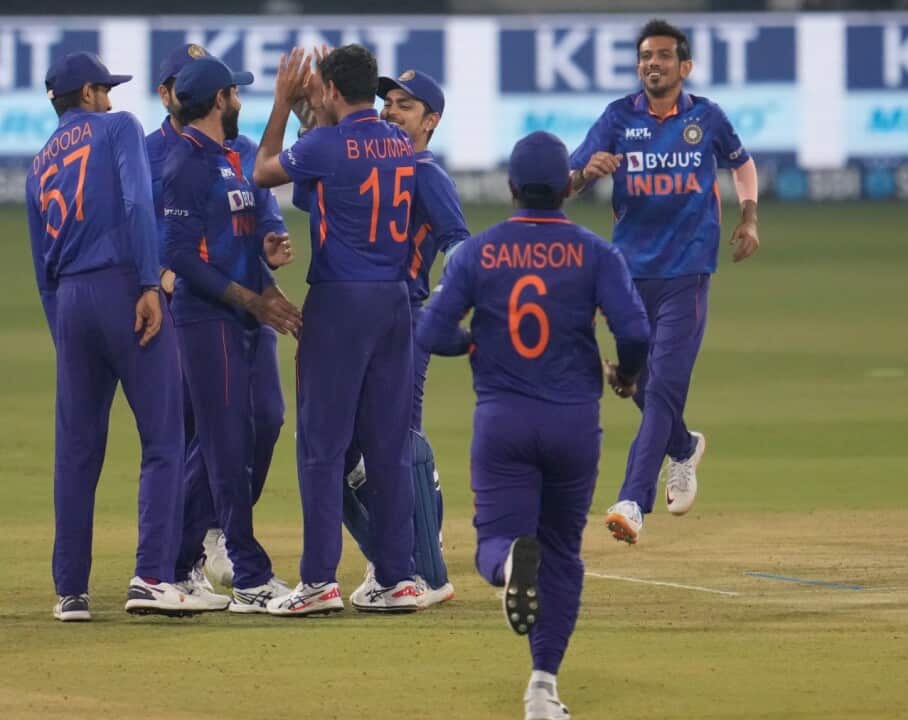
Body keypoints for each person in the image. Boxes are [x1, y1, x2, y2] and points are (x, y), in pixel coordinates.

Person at [420, 130, 649, 720]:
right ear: (566, 190)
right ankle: (542, 689)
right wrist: (625, 374)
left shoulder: (478, 253)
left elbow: (429, 330)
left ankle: (505, 568)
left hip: (503, 418)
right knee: (563, 555)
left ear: (512, 187)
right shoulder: (598, 253)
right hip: (574, 420)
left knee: (495, 542)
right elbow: (635, 331)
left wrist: (474, 343)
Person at [567, 18, 761, 544]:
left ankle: (632, 500)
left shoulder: (706, 118)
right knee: (640, 384)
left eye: (662, 56)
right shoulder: (616, 119)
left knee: (665, 386)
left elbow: (742, 165)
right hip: (627, 276)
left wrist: (749, 216)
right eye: (644, 57)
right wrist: (587, 174)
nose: (651, 64)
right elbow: (562, 183)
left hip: (687, 272)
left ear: (684, 66)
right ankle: (682, 447)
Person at [254, 45, 419, 615]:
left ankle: (320, 581)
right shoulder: (401, 142)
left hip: (340, 302)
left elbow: (263, 171)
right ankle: (398, 578)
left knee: (322, 447)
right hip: (394, 303)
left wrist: (281, 105)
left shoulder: (323, 144)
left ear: (326, 90)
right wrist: (319, 118)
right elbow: (319, 188)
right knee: (387, 445)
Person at [27, 52, 188, 620]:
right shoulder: (118, 128)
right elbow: (137, 202)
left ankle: (70, 591)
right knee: (165, 437)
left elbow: (41, 265)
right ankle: (150, 576)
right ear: (90, 94)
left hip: (70, 300)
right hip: (124, 285)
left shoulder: (38, 164)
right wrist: (148, 281)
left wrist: (63, 333)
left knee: (75, 451)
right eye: (107, 89)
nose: (113, 98)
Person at [146, 42, 293, 594]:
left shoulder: (235, 156)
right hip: (201, 312)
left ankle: (184, 554)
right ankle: (202, 563)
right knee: (213, 440)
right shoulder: (173, 158)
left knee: (255, 424)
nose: (238, 99)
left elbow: (257, 217)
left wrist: (269, 249)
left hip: (243, 311)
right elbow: (170, 246)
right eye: (233, 91)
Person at [338, 68, 468, 609]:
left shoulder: (424, 171)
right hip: (369, 318)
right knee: (358, 447)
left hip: (405, 317)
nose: (391, 111)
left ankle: (421, 569)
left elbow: (460, 244)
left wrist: (443, 307)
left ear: (431, 121)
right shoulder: (383, 163)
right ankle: (404, 554)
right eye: (388, 101)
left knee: (396, 440)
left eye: (406, 105)